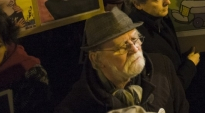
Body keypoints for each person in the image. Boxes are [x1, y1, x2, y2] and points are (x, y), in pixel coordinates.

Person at [56, 8, 188, 113]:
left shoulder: (162, 66)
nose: (135, 49)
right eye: (122, 46)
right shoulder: (75, 107)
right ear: (96, 59)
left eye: (135, 39)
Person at [124, 0, 200, 90]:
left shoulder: (161, 19)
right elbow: (167, 89)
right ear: (137, 3)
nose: (168, 1)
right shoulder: (138, 41)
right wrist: (190, 65)